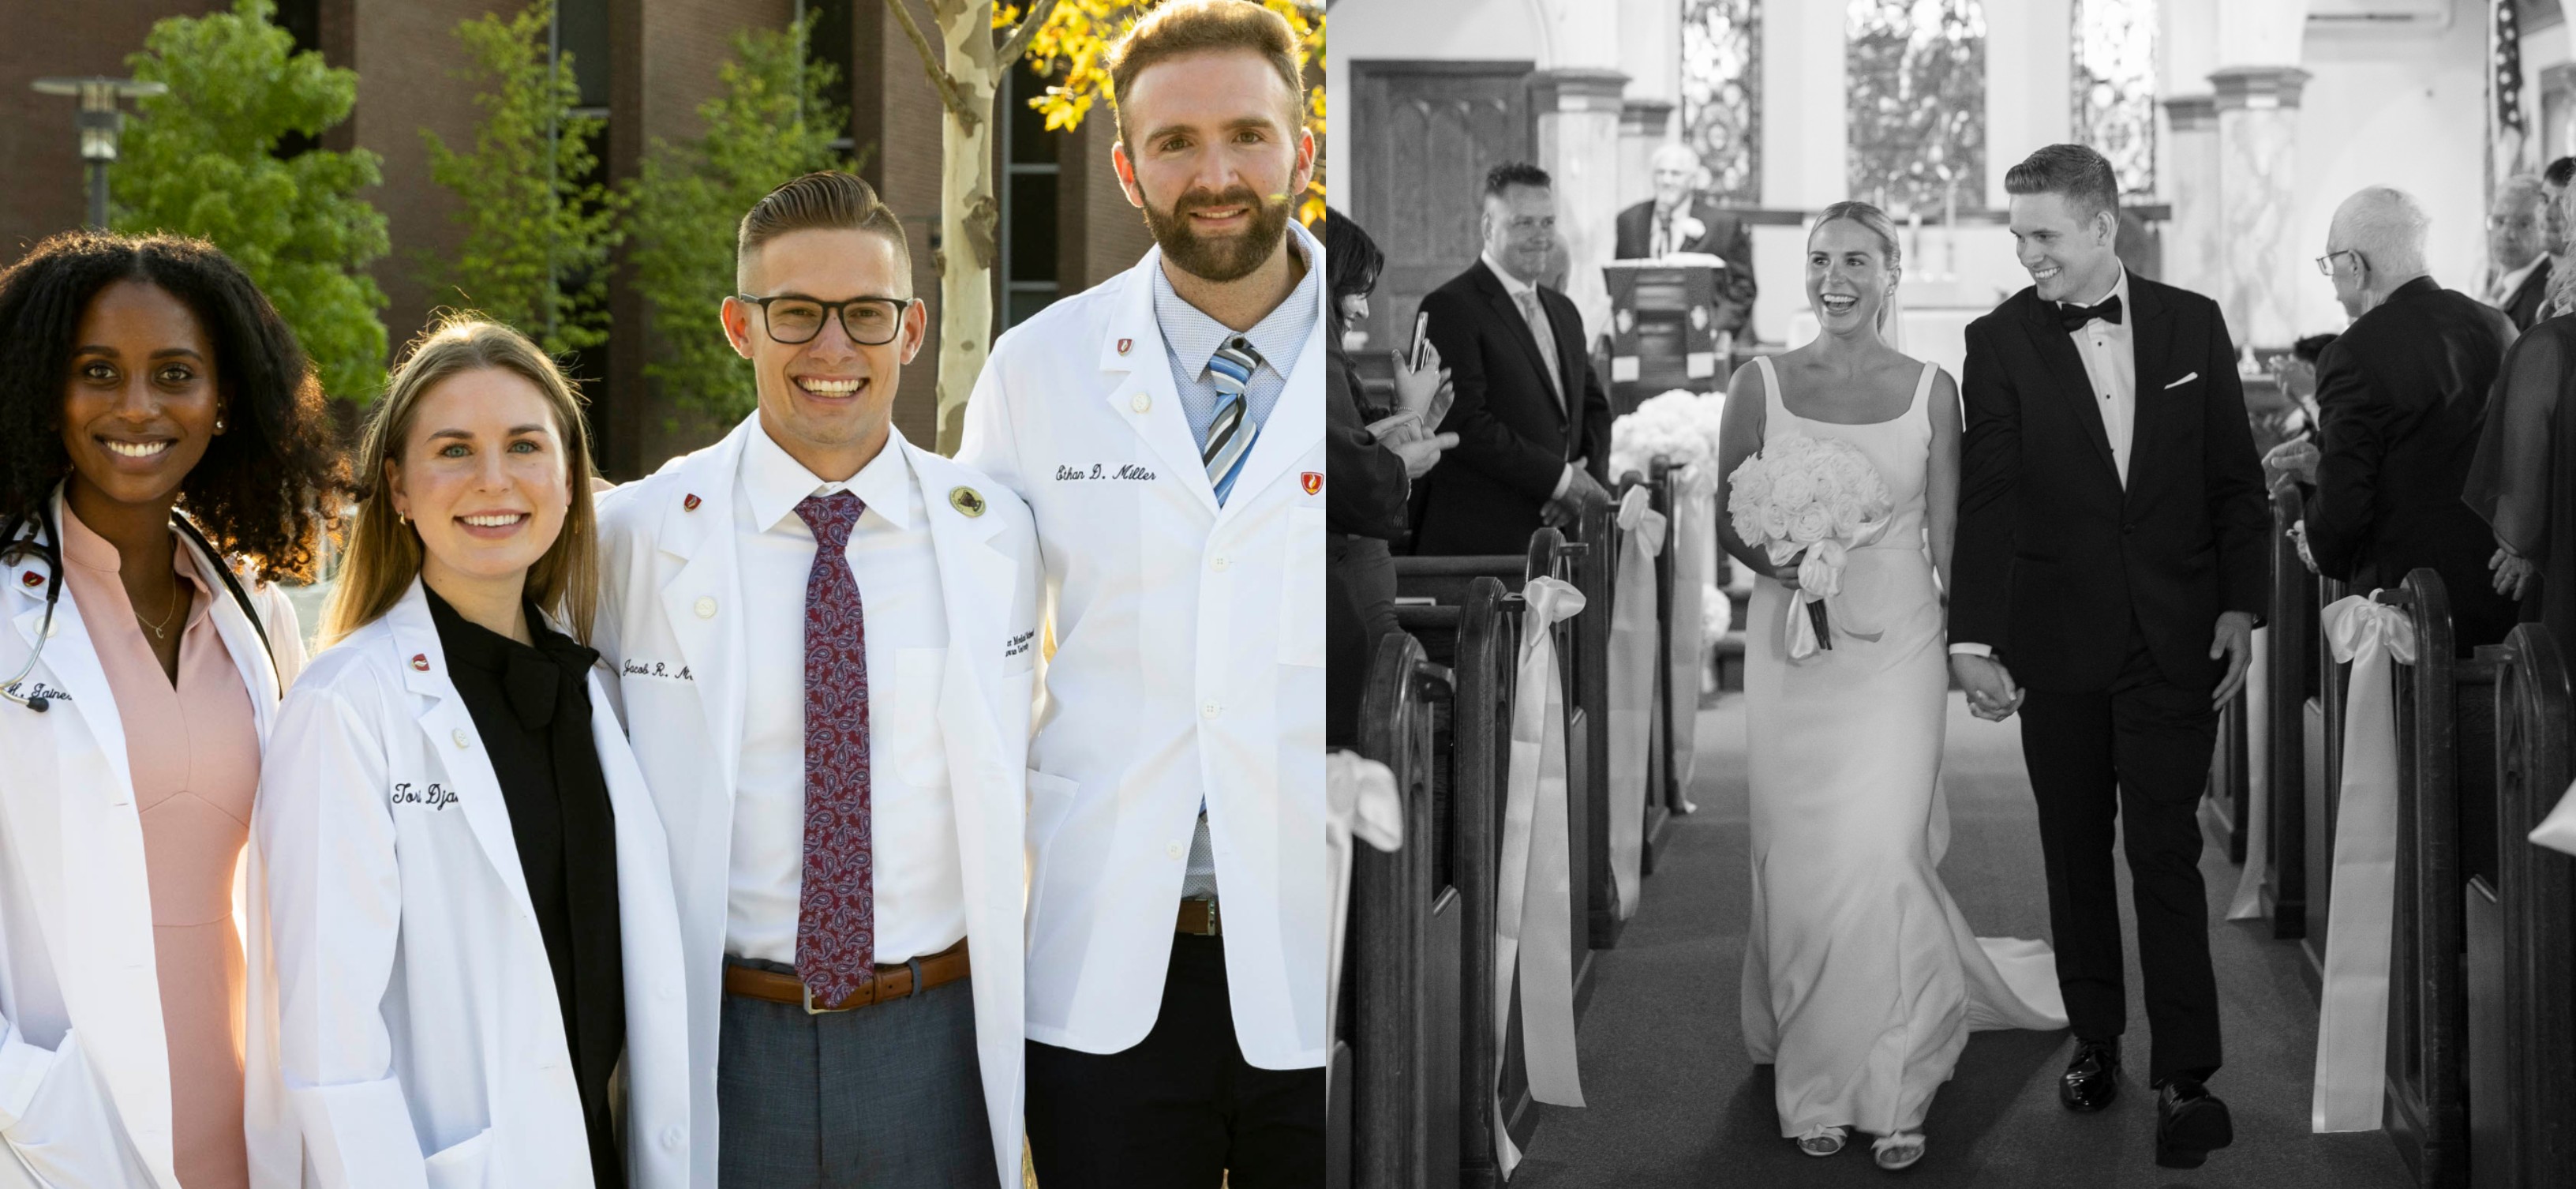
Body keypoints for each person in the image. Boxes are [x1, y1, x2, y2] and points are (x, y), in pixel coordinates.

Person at [592, 171, 1039, 1187]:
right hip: (723, 1046)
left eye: (866, 315)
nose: (831, 348)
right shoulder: (634, 541)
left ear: (913, 330)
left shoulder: (998, 534)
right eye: (794, 314)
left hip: (935, 1043)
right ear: (739, 327)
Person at [956, 2, 1324, 1181]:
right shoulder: (1038, 369)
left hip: (1329, 956)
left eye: (1247, 136)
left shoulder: (1374, 365)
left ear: (1302, 147)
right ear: (1126, 165)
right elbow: (974, 656)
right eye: (1174, 144)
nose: (1215, 174)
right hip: (1109, 960)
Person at [253, 319, 691, 1188]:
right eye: (453, 450)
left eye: (524, 446)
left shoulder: (595, 687)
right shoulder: (348, 708)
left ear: (570, 477)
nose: (494, 481)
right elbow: (327, 1048)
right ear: (400, 488)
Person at [1711, 201, 2066, 1172]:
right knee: (1804, 857)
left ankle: (1899, 1077)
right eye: (1822, 260)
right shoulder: (1761, 381)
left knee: (1882, 851)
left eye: (1857, 261)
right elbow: (1728, 520)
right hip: (1795, 645)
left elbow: (1948, 539)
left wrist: (1976, 648)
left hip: (1898, 648)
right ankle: (1820, 1076)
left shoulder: (1931, 391)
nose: (1837, 278)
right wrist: (1787, 551)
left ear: (1892, 272)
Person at [1949, 144, 2268, 1170]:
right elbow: (1990, 498)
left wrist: (2241, 609)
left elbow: (2235, 480)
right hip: (2060, 634)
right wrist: (1972, 636)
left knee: (2164, 851)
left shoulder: (2193, 322)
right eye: (2018, 236)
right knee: (2075, 848)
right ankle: (2096, 1038)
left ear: (2102, 226)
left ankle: (2188, 1074)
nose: (2026, 252)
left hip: (2176, 633)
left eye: (2043, 234)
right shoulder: (1997, 341)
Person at [0, 231, 341, 1189]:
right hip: (55, 1133)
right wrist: (32, 1101)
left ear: (224, 399)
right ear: (42, 390)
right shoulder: (6, 612)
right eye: (96, 372)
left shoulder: (258, 615)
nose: (137, 408)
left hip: (246, 1122)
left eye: (176, 373)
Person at [2261, 186, 2518, 652]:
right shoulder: (2497, 326)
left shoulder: (2354, 352)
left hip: (2412, 609)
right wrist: (2324, 463)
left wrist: (2314, 540)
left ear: (2355, 265)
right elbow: (2436, 459)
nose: (2333, 281)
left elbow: (2346, 508)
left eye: (2330, 263)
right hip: (2506, 595)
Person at [1413, 162, 1617, 555]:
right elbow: (1466, 422)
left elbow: (1593, 407)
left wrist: (1581, 474)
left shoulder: (1563, 311)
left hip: (1558, 532)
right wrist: (1558, 481)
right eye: (1524, 223)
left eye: (1547, 223)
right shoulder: (1450, 307)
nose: (1540, 237)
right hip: (1486, 535)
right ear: (1489, 227)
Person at [1324, 206, 1453, 746]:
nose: (1363, 308)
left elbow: (1348, 439)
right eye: (1356, 289)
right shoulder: (1308, 346)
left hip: (1362, 581)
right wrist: (1403, 459)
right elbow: (1343, 470)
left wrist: (1410, 415)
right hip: (1344, 590)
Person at [1614, 142, 1759, 331]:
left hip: (1703, 332)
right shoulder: (1629, 221)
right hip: (1643, 333)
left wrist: (1716, 329)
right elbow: (1619, 282)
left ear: (1692, 180)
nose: (1666, 180)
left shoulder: (1722, 225)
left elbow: (1743, 288)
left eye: (1676, 174)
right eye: (1660, 172)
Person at [2486, 174, 2552, 330]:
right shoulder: (2492, 283)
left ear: (2545, 226)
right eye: (2500, 221)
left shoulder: (2549, 298)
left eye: (2524, 224)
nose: (2507, 233)